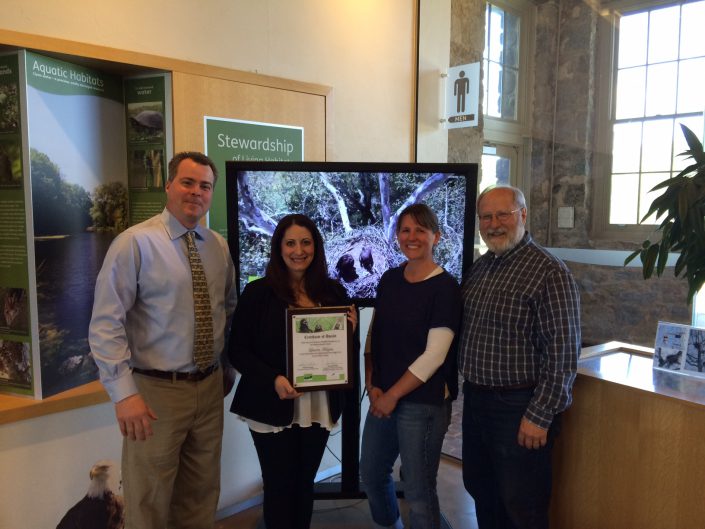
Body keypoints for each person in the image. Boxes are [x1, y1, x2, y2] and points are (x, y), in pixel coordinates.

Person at [89, 151, 237, 529]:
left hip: (209, 389)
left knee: (201, 495)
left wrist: (228, 366)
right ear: (168, 185)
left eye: (205, 186)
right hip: (155, 395)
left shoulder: (217, 246)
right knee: (148, 500)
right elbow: (106, 324)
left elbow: (228, 310)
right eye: (187, 182)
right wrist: (125, 395)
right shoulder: (134, 244)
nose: (196, 192)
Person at [459, 185, 581, 529]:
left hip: (520, 407)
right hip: (477, 403)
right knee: (482, 491)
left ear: (523, 215)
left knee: (522, 504)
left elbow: (563, 351)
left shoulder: (549, 272)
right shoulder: (480, 269)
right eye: (486, 216)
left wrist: (540, 415)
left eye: (503, 215)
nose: (494, 224)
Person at [228, 213, 358, 529]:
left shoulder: (333, 293)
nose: (298, 250)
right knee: (278, 487)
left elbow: (344, 355)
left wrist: (348, 334)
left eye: (305, 242)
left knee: (304, 486)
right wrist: (274, 379)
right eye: (290, 243)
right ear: (279, 248)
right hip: (271, 405)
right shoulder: (257, 293)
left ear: (316, 247)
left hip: (317, 406)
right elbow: (237, 351)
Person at [360, 203, 461, 529]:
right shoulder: (389, 279)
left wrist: (391, 396)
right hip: (382, 394)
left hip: (422, 403)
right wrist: (372, 384)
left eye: (421, 230)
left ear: (436, 237)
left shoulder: (445, 288)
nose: (412, 236)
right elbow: (375, 335)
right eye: (405, 230)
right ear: (397, 236)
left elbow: (434, 356)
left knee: (418, 490)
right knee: (372, 474)